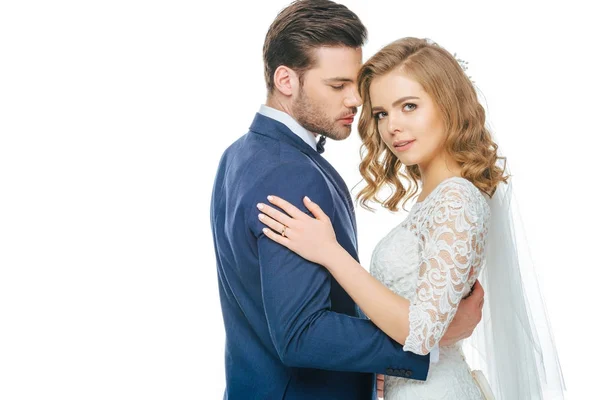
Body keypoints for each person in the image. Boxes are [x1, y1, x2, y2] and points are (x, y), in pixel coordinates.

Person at [257, 37, 565, 399]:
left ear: (448, 105)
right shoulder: (435, 199)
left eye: (409, 106)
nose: (392, 127)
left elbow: (420, 331)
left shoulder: (456, 199)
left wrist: (329, 252)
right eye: (382, 113)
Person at [210, 2, 484, 399]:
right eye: (337, 86)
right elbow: (303, 333)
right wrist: (432, 343)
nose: (357, 100)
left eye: (355, 84)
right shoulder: (291, 172)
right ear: (286, 80)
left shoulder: (237, 156)